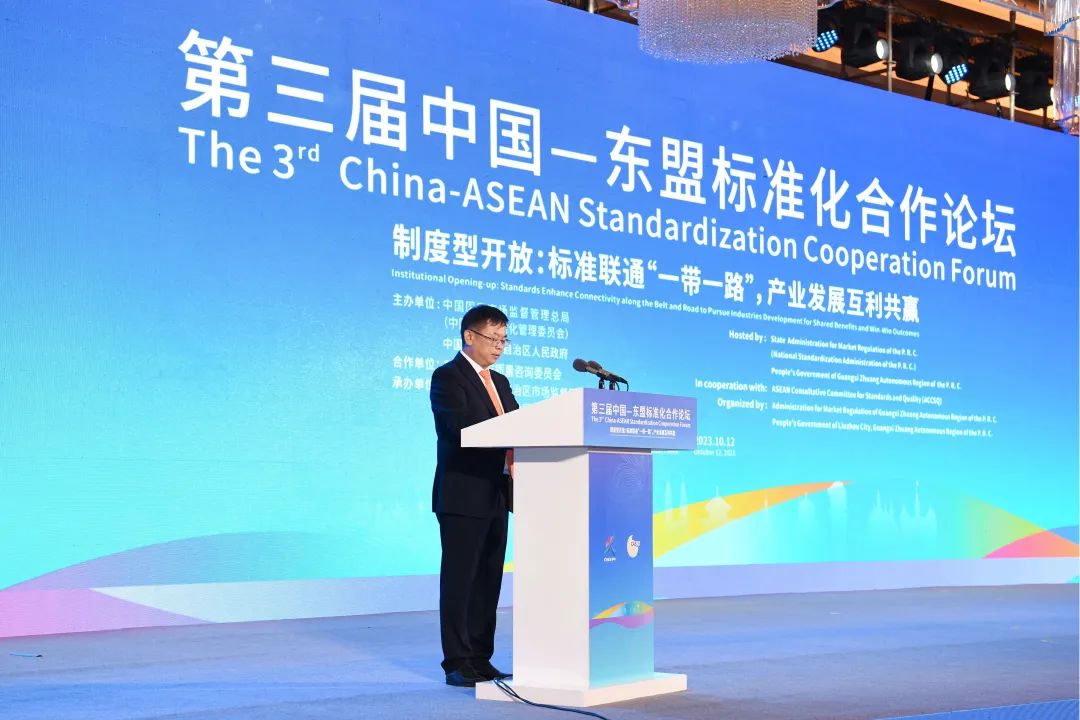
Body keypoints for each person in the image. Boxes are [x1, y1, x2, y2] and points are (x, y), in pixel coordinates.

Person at [430, 304, 518, 687]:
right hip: (463, 494)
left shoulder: (501, 381)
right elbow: (459, 427)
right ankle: (457, 661)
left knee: (488, 581)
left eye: (504, 340)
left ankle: (481, 657)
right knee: (460, 580)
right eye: (492, 338)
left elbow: (521, 424)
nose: (499, 346)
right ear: (469, 336)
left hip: (498, 493)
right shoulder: (447, 377)